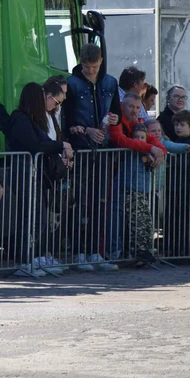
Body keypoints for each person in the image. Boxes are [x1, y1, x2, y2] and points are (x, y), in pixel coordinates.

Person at [61, 44, 119, 272]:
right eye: (87, 67)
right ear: (80, 63)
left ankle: (96, 251)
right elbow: (66, 119)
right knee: (79, 202)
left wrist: (113, 119)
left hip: (103, 148)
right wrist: (84, 130)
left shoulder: (110, 82)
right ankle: (78, 252)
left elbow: (116, 112)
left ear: (101, 61)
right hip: (81, 147)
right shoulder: (72, 84)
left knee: (99, 202)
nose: (91, 71)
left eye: (95, 66)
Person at [5, 82, 72, 276]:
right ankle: (24, 261)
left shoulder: (32, 120)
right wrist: (60, 146)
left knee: (39, 218)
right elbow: (33, 144)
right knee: (29, 217)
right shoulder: (20, 119)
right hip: (24, 173)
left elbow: (44, 141)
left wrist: (59, 145)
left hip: (35, 174)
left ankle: (35, 257)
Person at [106, 94, 166, 265]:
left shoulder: (136, 121)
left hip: (132, 181)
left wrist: (158, 151)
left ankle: (135, 253)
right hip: (117, 176)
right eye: (131, 106)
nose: (134, 110)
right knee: (121, 216)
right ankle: (118, 253)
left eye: (137, 107)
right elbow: (119, 139)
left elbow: (153, 140)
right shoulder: (116, 117)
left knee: (140, 217)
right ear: (122, 105)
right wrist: (151, 148)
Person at [154, 112, 190, 258]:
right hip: (175, 186)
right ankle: (174, 249)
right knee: (173, 218)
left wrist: (168, 160)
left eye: (182, 125)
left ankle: (185, 251)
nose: (178, 128)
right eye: (176, 125)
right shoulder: (176, 140)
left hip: (187, 186)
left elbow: (186, 164)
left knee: (184, 219)